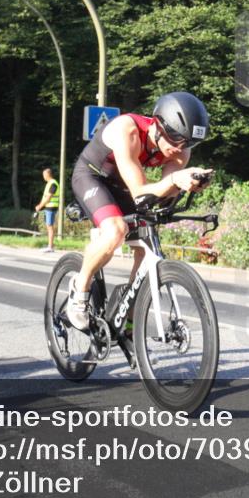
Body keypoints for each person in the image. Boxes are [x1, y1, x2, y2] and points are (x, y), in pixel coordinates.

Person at [66, 91, 213, 330]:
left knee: (147, 243)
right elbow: (141, 192)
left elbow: (162, 196)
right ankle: (79, 287)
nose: (181, 148)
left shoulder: (180, 150)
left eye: (190, 143)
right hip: (91, 177)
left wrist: (187, 185)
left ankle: (130, 320)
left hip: (123, 184)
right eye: (177, 139)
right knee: (115, 231)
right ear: (158, 125)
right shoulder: (128, 130)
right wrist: (176, 178)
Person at [34, 168, 60, 252]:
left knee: (50, 226)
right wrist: (40, 205)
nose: (43, 176)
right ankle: (50, 245)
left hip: (51, 206)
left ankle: (50, 247)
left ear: (48, 174)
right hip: (49, 206)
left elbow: (48, 197)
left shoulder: (53, 184)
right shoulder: (49, 183)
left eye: (44, 175)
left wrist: (40, 206)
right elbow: (45, 197)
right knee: (49, 226)